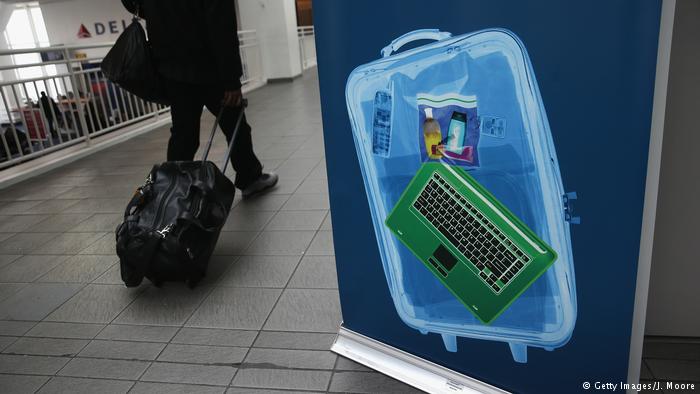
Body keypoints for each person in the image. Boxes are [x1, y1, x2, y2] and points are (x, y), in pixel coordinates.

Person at [122, 0, 277, 197]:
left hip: (172, 67)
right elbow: (222, 25)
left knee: (183, 135)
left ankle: (172, 192)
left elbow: (131, 2)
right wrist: (231, 80)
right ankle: (250, 178)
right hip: (210, 67)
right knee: (235, 125)